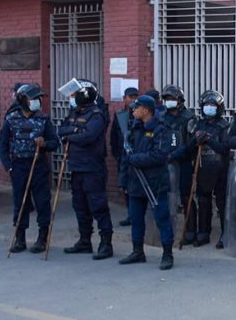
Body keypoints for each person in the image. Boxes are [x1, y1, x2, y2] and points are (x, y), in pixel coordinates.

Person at [0, 84, 59, 254]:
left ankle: (42, 238)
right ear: (22, 100)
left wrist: (44, 144)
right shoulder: (11, 119)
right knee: (20, 202)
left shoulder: (43, 119)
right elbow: (3, 144)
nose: (37, 101)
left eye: (38, 98)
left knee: (42, 202)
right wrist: (8, 166)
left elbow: (54, 142)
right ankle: (20, 238)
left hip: (38, 165)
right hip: (18, 166)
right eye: (33, 98)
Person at [58, 79, 113, 258]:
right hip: (76, 167)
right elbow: (61, 130)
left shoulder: (96, 114)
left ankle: (106, 243)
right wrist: (75, 131)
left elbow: (89, 136)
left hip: (92, 168)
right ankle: (84, 240)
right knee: (79, 206)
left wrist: (71, 136)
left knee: (98, 206)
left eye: (75, 95)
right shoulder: (74, 113)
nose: (72, 98)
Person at [119, 95, 175, 270]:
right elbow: (125, 156)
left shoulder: (161, 129)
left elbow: (159, 155)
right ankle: (137, 251)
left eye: (136, 108)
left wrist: (134, 159)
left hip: (155, 183)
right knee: (136, 219)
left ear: (145, 110)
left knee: (162, 219)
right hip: (135, 181)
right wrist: (123, 179)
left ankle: (167, 254)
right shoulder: (134, 128)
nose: (133, 111)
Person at [181, 90, 230, 247]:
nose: (209, 108)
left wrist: (209, 139)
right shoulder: (198, 124)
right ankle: (203, 232)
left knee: (222, 202)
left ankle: (226, 234)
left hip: (220, 168)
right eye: (207, 105)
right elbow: (189, 147)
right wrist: (195, 140)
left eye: (212, 105)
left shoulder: (224, 126)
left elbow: (224, 148)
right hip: (202, 167)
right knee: (203, 200)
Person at [161, 85, 195, 240]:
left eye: (172, 98)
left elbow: (192, 143)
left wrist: (176, 154)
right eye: (167, 99)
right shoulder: (162, 117)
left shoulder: (189, 117)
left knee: (186, 195)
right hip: (166, 163)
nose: (169, 101)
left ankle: (190, 230)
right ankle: (166, 228)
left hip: (184, 162)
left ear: (180, 100)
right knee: (167, 195)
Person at [110, 86, 139, 227]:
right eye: (131, 97)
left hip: (137, 157)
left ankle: (138, 216)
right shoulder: (120, 115)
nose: (133, 100)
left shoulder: (140, 114)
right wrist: (117, 155)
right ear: (124, 99)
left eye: (135, 97)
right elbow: (114, 137)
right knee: (126, 187)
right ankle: (131, 215)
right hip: (123, 158)